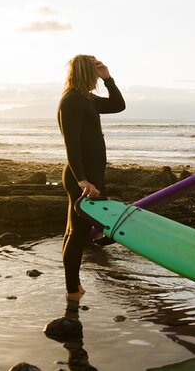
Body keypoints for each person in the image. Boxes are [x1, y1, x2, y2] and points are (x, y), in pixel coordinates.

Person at [57, 55, 125, 300]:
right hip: (82, 177)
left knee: (75, 231)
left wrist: (109, 79)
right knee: (77, 233)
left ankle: (73, 287)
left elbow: (118, 105)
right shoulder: (72, 100)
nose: (97, 75)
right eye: (95, 71)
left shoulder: (86, 99)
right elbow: (71, 144)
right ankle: (72, 289)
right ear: (85, 72)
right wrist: (82, 180)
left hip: (89, 175)